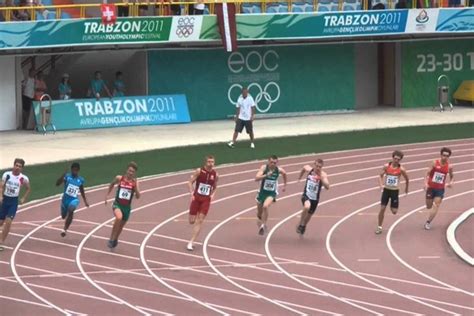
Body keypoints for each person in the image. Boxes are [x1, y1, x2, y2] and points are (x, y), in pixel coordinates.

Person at [104, 162, 141, 249]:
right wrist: (107, 195)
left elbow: (138, 196)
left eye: (132, 171)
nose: (130, 173)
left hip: (127, 208)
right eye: (129, 170)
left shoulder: (135, 182)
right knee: (119, 217)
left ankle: (115, 239)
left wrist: (135, 187)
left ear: (134, 173)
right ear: (126, 170)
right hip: (117, 204)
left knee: (120, 227)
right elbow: (112, 184)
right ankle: (111, 239)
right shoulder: (119, 178)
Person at [187, 155, 218, 251]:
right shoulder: (199, 171)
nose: (211, 164)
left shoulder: (215, 174)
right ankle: (195, 214)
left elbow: (215, 186)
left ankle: (191, 242)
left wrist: (212, 195)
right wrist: (192, 193)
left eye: (212, 162)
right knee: (191, 221)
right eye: (209, 162)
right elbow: (189, 182)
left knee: (200, 221)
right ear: (205, 162)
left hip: (206, 200)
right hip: (196, 198)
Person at [375, 150, 409, 234]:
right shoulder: (386, 166)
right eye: (395, 158)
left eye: (398, 159)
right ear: (392, 158)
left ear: (400, 160)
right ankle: (379, 227)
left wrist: (406, 189)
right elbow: (380, 175)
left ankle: (392, 204)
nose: (396, 160)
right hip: (386, 190)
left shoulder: (401, 169)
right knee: (382, 208)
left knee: (394, 211)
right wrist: (381, 185)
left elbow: (407, 179)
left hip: (394, 191)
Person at [0, 159, 31, 251]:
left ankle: (1, 241)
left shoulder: (23, 178)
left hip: (13, 202)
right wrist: (1, 196)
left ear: (22, 168)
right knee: (1, 222)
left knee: (8, 221)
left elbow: (28, 188)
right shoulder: (7, 175)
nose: (17, 167)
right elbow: (1, 186)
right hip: (5, 200)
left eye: (19, 166)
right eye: (16, 165)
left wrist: (23, 198)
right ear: (13, 165)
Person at [296, 158, 330, 235]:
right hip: (306, 195)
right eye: (317, 166)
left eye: (320, 167)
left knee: (309, 216)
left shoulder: (323, 175)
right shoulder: (310, 170)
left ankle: (304, 226)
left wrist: (322, 179)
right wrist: (299, 178)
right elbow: (304, 168)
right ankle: (300, 224)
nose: (318, 168)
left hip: (315, 199)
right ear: (314, 164)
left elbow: (328, 187)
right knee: (307, 207)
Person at [255, 155, 287, 235]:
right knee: (259, 214)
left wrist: (284, 185)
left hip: (271, 193)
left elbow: (284, 173)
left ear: (277, 163)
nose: (273, 164)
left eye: (275, 163)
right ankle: (261, 221)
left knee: (265, 206)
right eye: (271, 162)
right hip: (262, 192)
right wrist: (266, 175)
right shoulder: (264, 168)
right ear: (268, 161)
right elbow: (256, 178)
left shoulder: (278, 170)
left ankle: (263, 225)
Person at [56, 162, 89, 237]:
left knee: (71, 210)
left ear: (78, 170)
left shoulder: (80, 180)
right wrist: (62, 175)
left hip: (74, 200)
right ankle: (65, 213)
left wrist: (85, 200)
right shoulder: (67, 177)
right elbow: (57, 184)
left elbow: (82, 190)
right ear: (71, 170)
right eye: (73, 170)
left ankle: (64, 229)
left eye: (76, 170)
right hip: (65, 200)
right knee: (63, 216)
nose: (75, 172)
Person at [423, 147, 454, 230]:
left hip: (440, 189)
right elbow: (427, 173)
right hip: (430, 187)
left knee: (436, 205)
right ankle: (430, 204)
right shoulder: (434, 163)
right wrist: (425, 183)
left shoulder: (449, 167)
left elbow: (452, 176)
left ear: (449, 157)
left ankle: (428, 222)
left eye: (447, 156)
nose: (445, 157)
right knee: (428, 206)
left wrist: (451, 182)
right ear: (441, 155)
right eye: (443, 155)